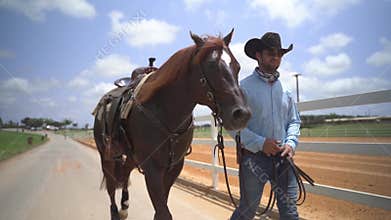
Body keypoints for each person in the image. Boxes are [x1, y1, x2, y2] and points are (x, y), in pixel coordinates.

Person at [230, 32, 301, 220]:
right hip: (254, 160)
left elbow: (294, 121)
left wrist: (291, 143)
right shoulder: (243, 88)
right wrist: (261, 143)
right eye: (270, 52)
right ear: (258, 56)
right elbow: (232, 125)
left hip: (283, 159)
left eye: (279, 53)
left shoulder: (285, 90)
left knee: (290, 212)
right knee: (247, 211)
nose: (275, 57)